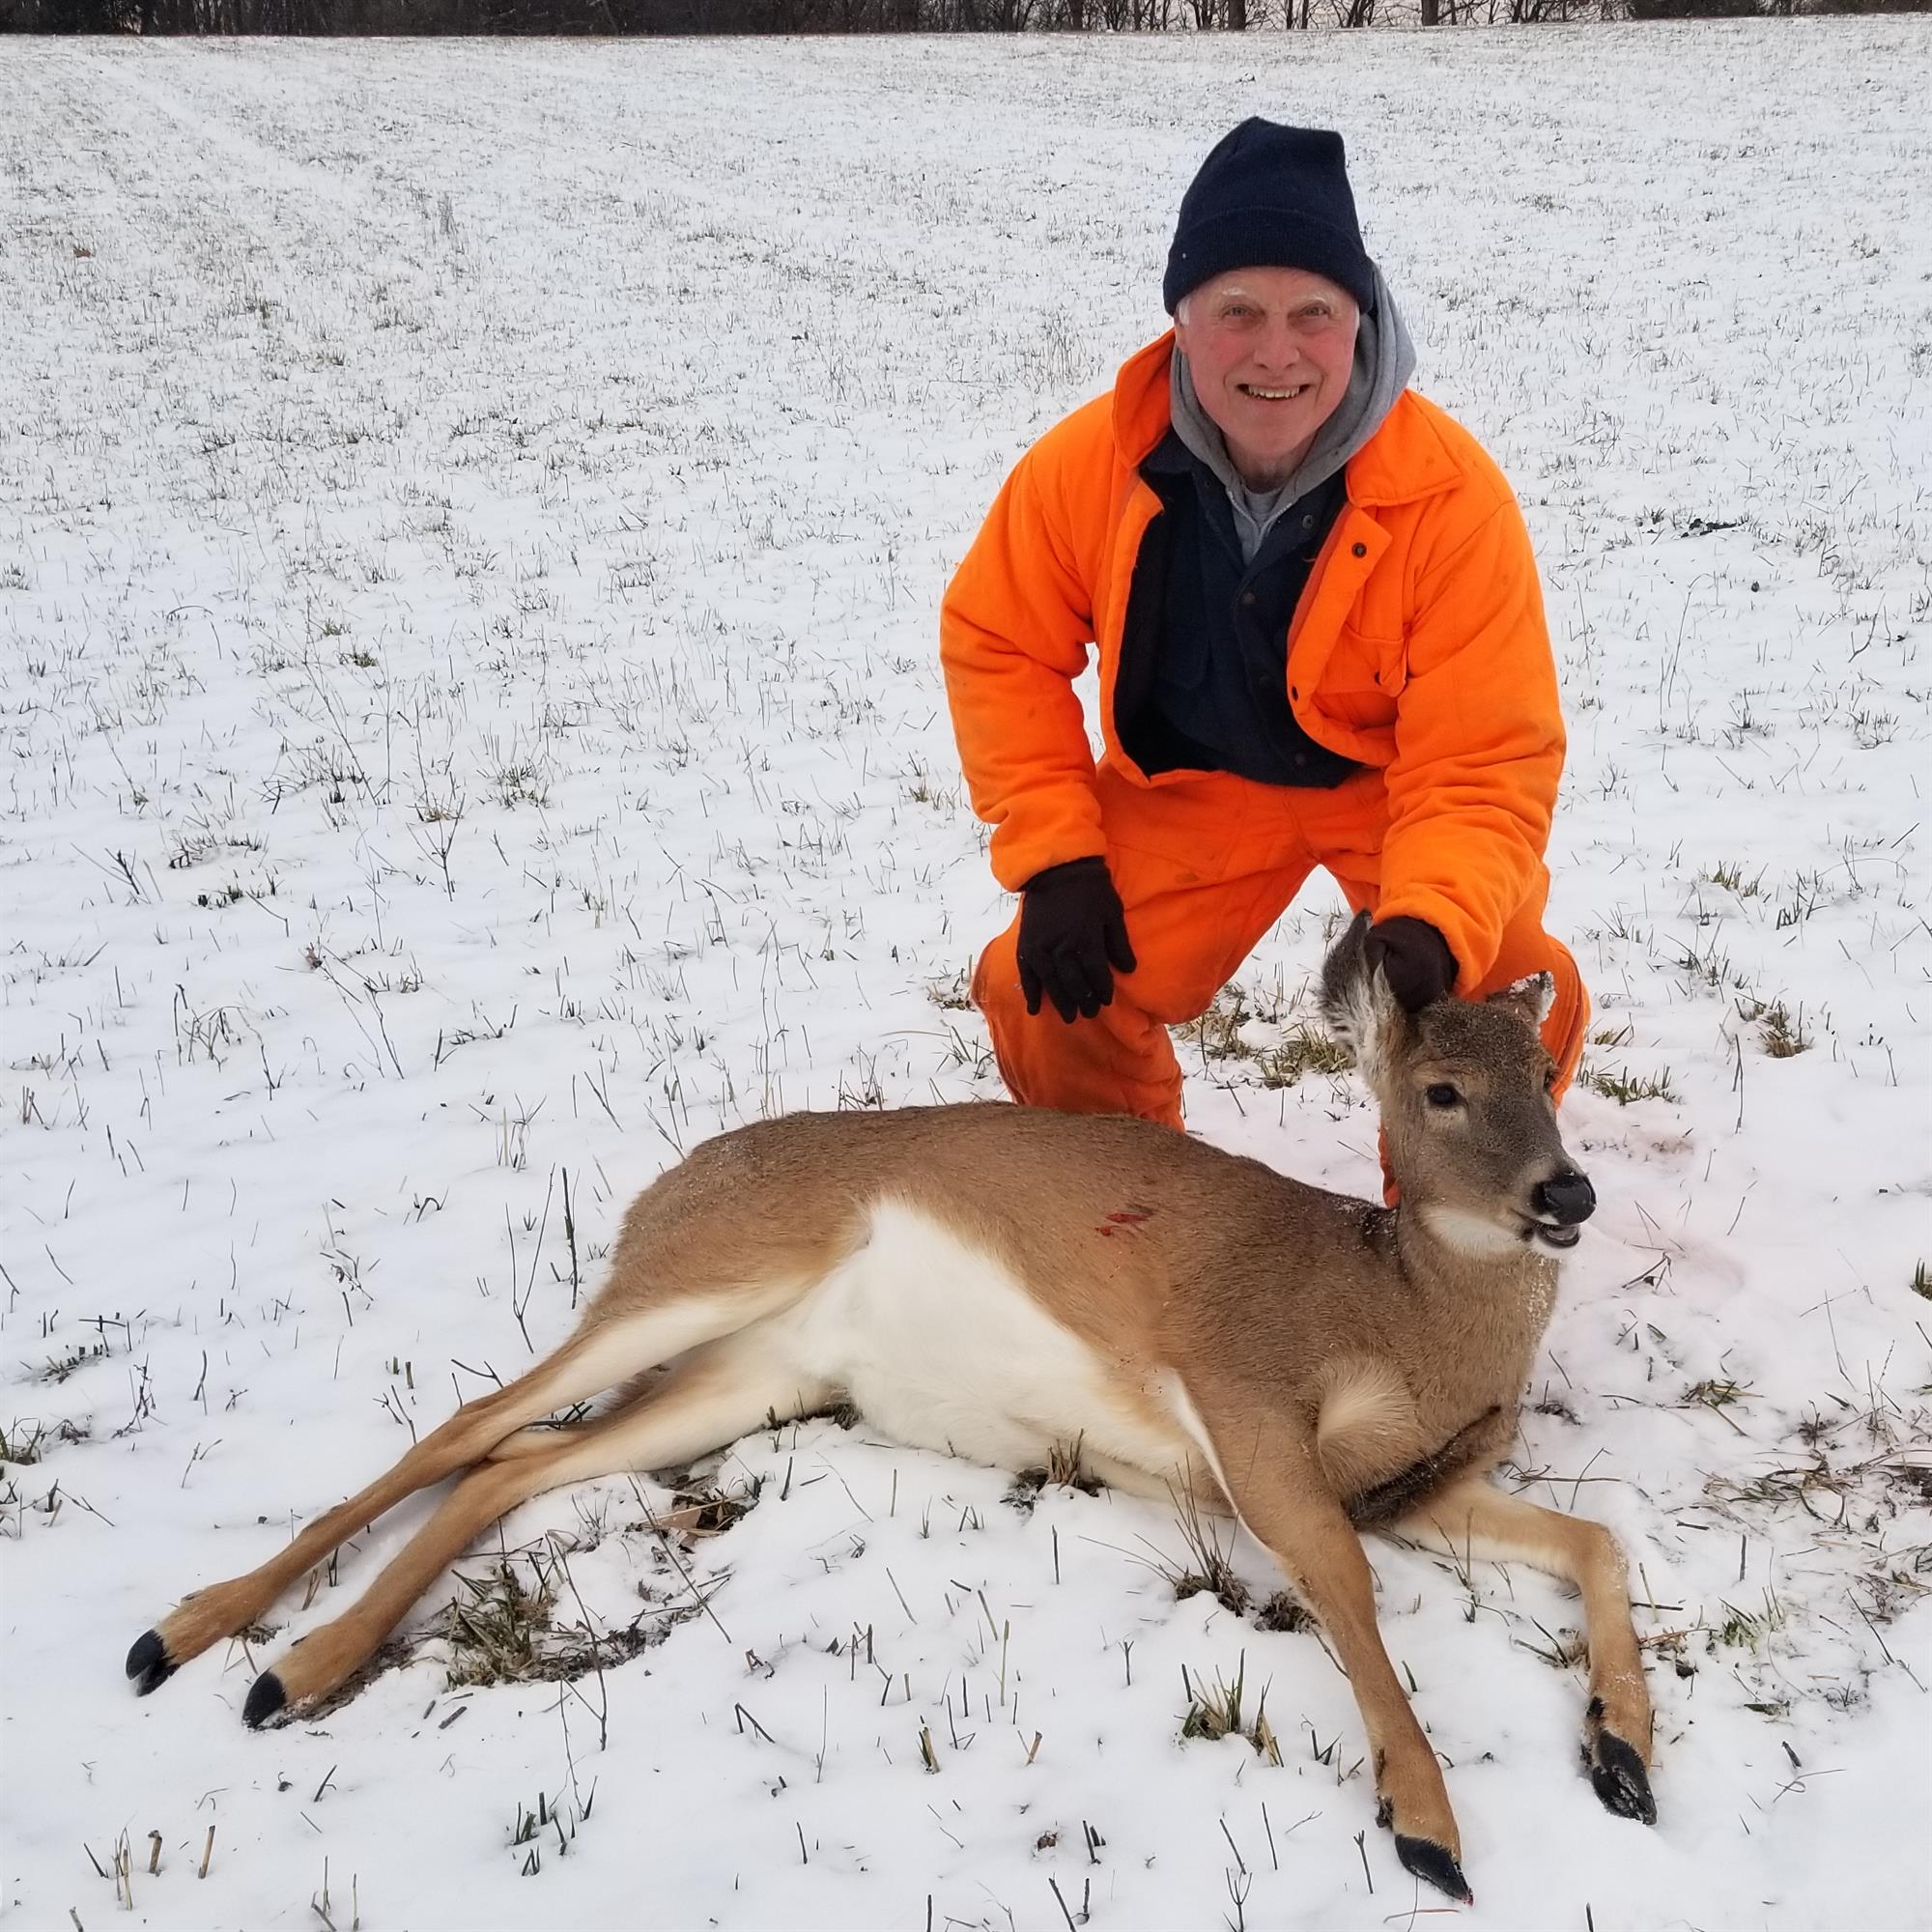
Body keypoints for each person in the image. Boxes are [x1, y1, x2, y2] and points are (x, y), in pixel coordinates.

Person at [940, 119, 1587, 1143]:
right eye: (1236, 310)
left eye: (1311, 312)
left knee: (1495, 987)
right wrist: (1054, 855)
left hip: (1384, 792)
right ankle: (1131, 1218)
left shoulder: (1451, 499)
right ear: (1180, 322)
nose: (1275, 352)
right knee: (1042, 989)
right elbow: (999, 642)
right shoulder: (1086, 468)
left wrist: (1431, 917)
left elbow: (1483, 753)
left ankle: (1451, 1257)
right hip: (1192, 791)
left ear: (1359, 318)